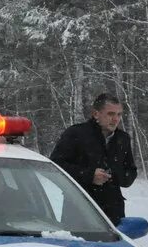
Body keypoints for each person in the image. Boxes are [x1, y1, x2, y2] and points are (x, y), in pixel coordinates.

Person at [50, 93, 138, 223]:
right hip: (79, 206)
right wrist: (90, 175)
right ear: (96, 114)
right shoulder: (76, 134)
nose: (116, 119)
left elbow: (130, 172)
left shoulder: (122, 138)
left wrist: (113, 175)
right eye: (110, 114)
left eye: (119, 114)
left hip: (113, 211)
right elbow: (56, 166)